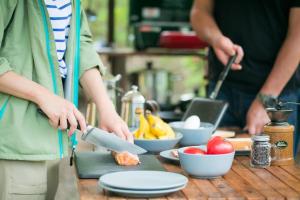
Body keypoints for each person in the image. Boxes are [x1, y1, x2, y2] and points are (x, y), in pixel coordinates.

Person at [0, 1, 132, 199]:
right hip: (15, 140)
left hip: (51, 138)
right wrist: (44, 96)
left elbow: (80, 46)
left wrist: (107, 110)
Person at [191, 0, 300, 154]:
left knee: (273, 176)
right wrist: (216, 38)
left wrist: (266, 99)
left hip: (277, 98)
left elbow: (298, 36)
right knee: (211, 174)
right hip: (222, 93)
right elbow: (199, 11)